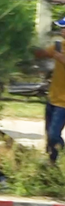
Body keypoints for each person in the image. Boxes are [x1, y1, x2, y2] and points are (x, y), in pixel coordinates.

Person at [34, 18, 65, 163]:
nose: (61, 31)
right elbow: (43, 54)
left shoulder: (59, 50)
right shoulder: (59, 46)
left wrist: (59, 57)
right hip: (52, 98)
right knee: (49, 136)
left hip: (63, 103)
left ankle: (62, 156)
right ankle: (52, 163)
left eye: (63, 28)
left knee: (54, 135)